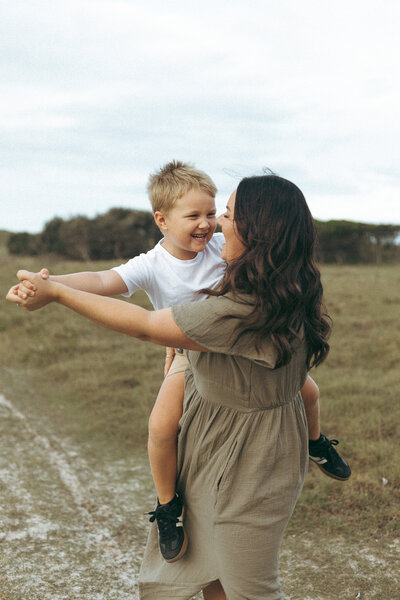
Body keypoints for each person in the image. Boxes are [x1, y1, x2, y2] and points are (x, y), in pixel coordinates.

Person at [9, 173, 335, 599]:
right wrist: (52, 283)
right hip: (209, 421)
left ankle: (318, 443)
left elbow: (147, 326)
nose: (216, 223)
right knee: (209, 568)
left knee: (249, 586)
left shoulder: (246, 304)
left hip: (252, 450)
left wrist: (56, 294)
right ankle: (169, 506)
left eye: (225, 213)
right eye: (205, 214)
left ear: (256, 231)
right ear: (162, 220)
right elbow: (106, 280)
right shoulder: (280, 278)